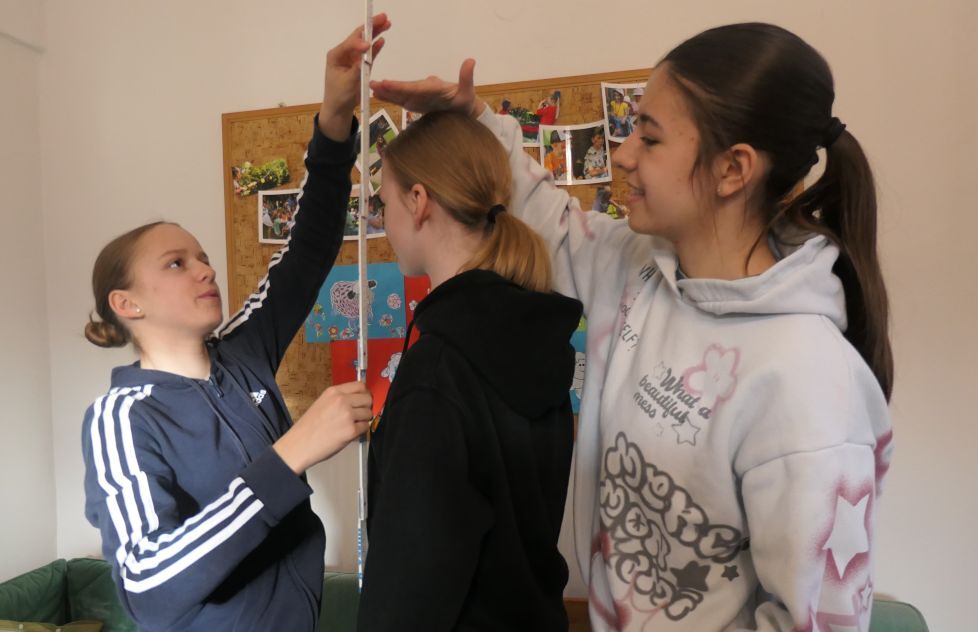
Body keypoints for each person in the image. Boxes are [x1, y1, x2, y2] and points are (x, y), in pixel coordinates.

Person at [372, 21, 894, 631]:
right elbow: (553, 223)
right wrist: (477, 118)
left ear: (732, 169)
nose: (623, 155)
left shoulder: (809, 381)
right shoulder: (640, 270)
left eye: (649, 137)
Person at [80, 16, 390, 632]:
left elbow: (308, 248)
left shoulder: (243, 350)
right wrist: (291, 454)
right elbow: (148, 583)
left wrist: (334, 117)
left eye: (201, 256)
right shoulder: (121, 418)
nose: (205, 269)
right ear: (127, 304)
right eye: (176, 263)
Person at [356, 110, 583, 631]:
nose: (382, 222)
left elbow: (408, 591)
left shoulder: (438, 369)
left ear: (418, 202)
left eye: (384, 203)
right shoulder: (534, 335)